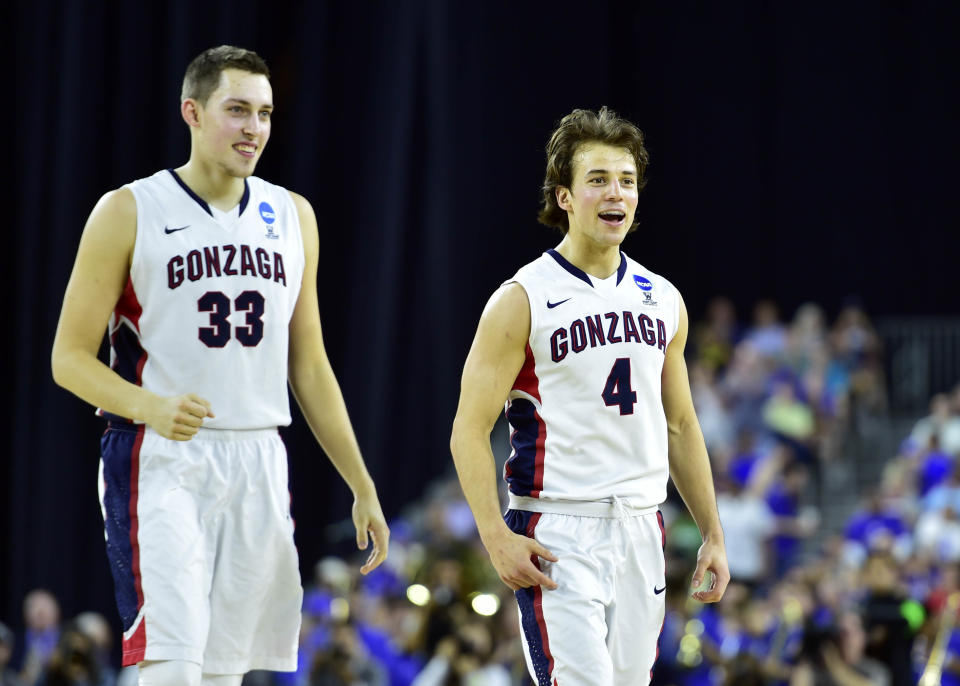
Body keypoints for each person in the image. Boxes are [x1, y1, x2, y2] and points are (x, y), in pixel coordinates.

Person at [50, 45, 389, 686]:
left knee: (223, 675)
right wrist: (151, 405)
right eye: (237, 111)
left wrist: (362, 483)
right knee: (172, 664)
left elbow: (309, 365)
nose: (254, 128)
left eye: (263, 113)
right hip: (160, 456)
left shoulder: (293, 215)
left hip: (259, 455)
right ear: (193, 113)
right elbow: (68, 359)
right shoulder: (128, 210)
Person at [449, 107, 729, 685]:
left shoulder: (664, 299)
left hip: (641, 527)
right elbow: (468, 431)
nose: (615, 192)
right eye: (597, 179)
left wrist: (713, 533)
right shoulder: (521, 298)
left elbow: (680, 425)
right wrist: (495, 536)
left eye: (626, 180)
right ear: (565, 197)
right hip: (556, 530)